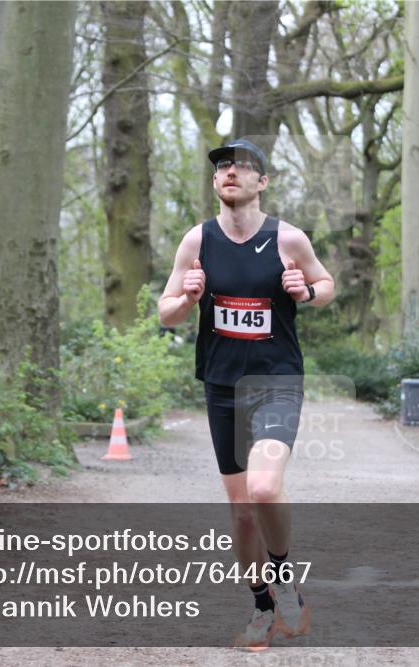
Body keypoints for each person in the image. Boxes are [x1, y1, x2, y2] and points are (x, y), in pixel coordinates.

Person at [158, 138, 335, 650]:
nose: (230, 171)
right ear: (216, 182)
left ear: (263, 181)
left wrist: (306, 292)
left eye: (242, 165)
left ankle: (283, 579)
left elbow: (327, 285)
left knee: (263, 487)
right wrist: (188, 299)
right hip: (222, 387)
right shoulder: (197, 241)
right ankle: (262, 607)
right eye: (223, 166)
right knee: (240, 509)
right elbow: (166, 312)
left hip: (277, 382)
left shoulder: (289, 239)